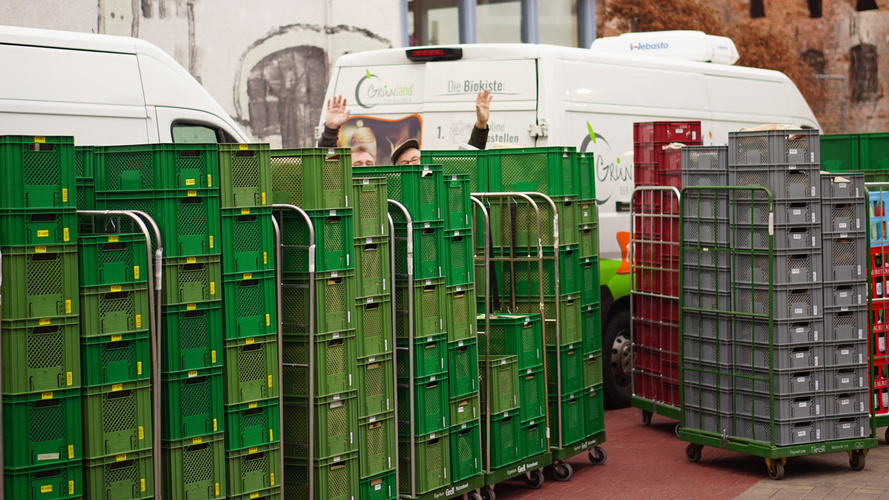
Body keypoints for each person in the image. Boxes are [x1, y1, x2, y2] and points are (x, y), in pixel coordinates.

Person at [391, 88, 492, 165]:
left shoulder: (439, 181)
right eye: (404, 163)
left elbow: (468, 161)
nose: (411, 165)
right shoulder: (396, 192)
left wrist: (481, 123)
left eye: (415, 159)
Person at [318, 95, 377, 166]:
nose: (364, 167)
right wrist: (331, 129)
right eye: (358, 165)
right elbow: (329, 158)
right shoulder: (338, 176)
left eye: (369, 164)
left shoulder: (383, 177)